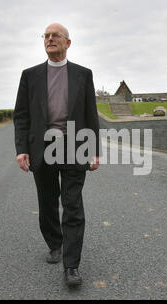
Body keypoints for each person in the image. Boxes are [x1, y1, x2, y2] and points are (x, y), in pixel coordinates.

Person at [13, 23, 101, 287]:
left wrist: (94, 150)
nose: (50, 39)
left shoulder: (83, 75)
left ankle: (71, 266)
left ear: (68, 43)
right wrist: (21, 149)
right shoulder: (30, 75)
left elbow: (90, 114)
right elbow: (21, 116)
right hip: (42, 147)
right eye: (46, 36)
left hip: (74, 146)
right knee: (48, 202)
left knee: (72, 205)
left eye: (56, 36)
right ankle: (54, 243)